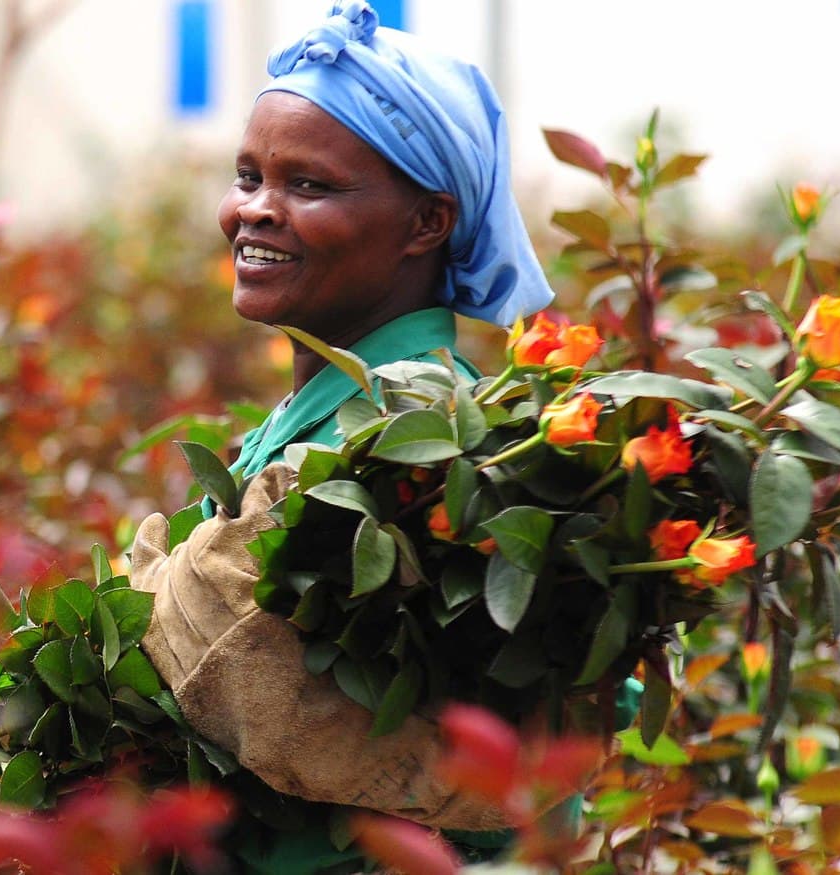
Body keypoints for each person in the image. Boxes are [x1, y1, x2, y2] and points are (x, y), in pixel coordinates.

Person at [130, 3, 637, 869]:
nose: (255, 210)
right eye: (248, 175)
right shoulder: (311, 425)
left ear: (426, 224)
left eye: (309, 185)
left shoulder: (427, 444)